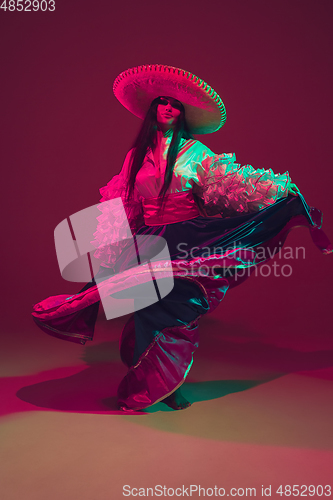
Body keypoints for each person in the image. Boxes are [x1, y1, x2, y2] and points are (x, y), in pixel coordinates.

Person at [32, 64, 332, 412]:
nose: (169, 108)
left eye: (175, 104)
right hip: (147, 239)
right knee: (146, 309)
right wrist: (110, 245)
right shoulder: (135, 157)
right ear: (154, 109)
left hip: (188, 238)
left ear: (182, 112)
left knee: (178, 310)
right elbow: (121, 202)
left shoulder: (197, 153)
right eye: (162, 102)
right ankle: (145, 381)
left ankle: (165, 384)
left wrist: (277, 189)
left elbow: (231, 184)